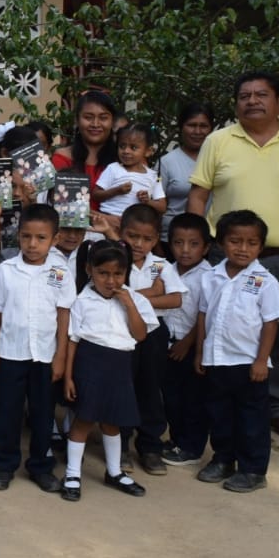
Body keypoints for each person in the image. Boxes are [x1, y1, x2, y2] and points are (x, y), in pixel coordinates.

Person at [187, 71, 279, 443]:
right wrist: (200, 246)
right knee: (220, 326)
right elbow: (198, 196)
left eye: (261, 94)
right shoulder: (218, 142)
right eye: (244, 95)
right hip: (225, 258)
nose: (252, 101)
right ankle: (219, 398)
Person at [194, 210, 279, 493]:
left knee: (251, 418)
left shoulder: (265, 281)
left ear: (261, 246)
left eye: (251, 243)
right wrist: (200, 353)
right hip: (217, 359)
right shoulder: (211, 277)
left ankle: (253, 470)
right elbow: (202, 316)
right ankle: (224, 459)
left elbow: (271, 323)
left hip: (249, 363)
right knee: (219, 415)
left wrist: (262, 360)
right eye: (235, 241)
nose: (243, 249)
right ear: (222, 243)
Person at [0, 204, 74, 493]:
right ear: (18, 237)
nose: (32, 244)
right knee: (8, 412)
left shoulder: (60, 272)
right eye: (26, 237)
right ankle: (4, 464)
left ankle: (40, 466)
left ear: (55, 239)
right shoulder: (7, 270)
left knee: (43, 414)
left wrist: (60, 357)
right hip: (11, 353)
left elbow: (64, 316)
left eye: (41, 238)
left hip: (45, 356)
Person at [61, 240, 153, 501]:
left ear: (126, 274)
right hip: (90, 364)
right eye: (103, 273)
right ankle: (72, 474)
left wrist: (130, 305)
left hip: (119, 366)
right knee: (84, 420)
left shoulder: (134, 299)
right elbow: (73, 340)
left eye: (117, 274)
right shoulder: (82, 300)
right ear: (90, 270)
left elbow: (141, 334)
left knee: (112, 422)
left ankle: (114, 472)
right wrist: (68, 377)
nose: (111, 280)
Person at [119, 203, 186, 475]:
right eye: (132, 236)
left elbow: (175, 299)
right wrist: (154, 292)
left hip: (154, 332)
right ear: (121, 233)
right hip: (120, 331)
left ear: (157, 240)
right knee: (123, 386)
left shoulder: (161, 265)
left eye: (147, 239)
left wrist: (135, 296)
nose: (138, 243)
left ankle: (149, 446)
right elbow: (112, 293)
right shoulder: (115, 258)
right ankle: (120, 444)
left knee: (150, 388)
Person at [160, 212, 213, 467]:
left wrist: (188, 343)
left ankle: (191, 447)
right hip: (168, 344)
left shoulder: (209, 277)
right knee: (172, 398)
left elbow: (205, 315)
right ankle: (176, 439)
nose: (185, 250)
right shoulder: (166, 271)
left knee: (193, 400)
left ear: (206, 247)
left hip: (191, 347)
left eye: (193, 244)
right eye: (178, 243)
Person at [52, 89, 119, 209]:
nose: (95, 124)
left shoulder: (124, 158)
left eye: (103, 118)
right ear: (77, 120)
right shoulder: (63, 158)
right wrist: (107, 220)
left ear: (112, 121)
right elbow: (66, 209)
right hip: (74, 227)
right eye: (88, 117)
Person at [159, 103, 214, 243]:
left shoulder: (219, 161)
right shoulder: (166, 162)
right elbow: (155, 206)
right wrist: (157, 246)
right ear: (181, 127)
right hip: (169, 241)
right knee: (156, 266)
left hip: (212, 241)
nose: (197, 131)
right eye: (192, 125)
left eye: (203, 126)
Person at [92, 123, 166, 220]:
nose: (126, 151)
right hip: (109, 220)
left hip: (136, 225)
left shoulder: (153, 176)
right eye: (122, 146)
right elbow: (96, 195)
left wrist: (147, 201)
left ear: (148, 151)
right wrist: (116, 190)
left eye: (133, 148)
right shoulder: (113, 168)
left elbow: (162, 207)